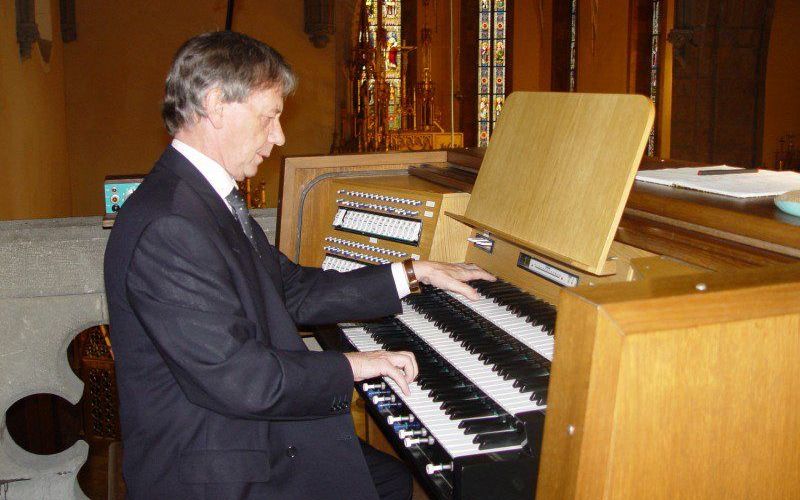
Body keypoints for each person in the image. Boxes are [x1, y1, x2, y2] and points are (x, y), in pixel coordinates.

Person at [104, 31, 494, 500]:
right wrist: (355, 364)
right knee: (386, 483)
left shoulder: (198, 197)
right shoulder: (171, 224)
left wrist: (414, 272)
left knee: (391, 479)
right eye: (269, 117)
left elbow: (287, 288)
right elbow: (243, 379)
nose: (279, 136)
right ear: (215, 104)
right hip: (213, 465)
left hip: (231, 429)